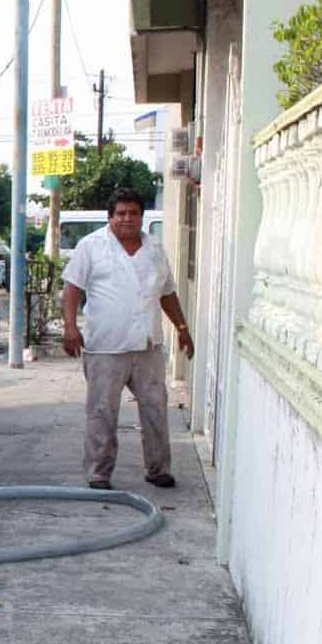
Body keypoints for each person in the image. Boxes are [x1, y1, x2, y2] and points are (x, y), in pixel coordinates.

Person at [61, 188, 194, 491]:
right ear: (110, 217)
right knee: (102, 412)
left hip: (147, 346)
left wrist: (183, 328)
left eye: (133, 213)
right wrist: (69, 327)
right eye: (120, 213)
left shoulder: (155, 249)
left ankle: (158, 469)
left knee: (156, 409)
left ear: (141, 217)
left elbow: (168, 293)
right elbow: (71, 289)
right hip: (105, 347)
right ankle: (98, 473)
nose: (127, 218)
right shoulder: (91, 246)